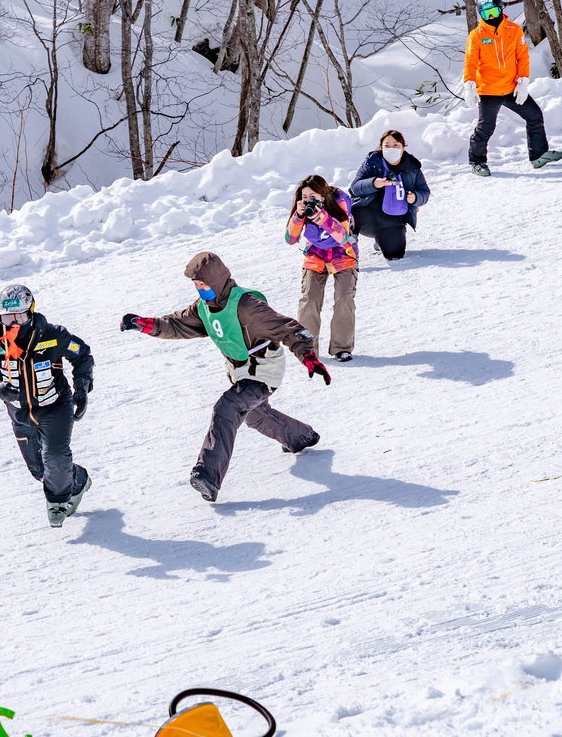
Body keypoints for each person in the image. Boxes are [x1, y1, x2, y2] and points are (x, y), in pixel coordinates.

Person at [120, 252, 331, 503]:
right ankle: (300, 437)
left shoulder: (247, 305)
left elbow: (287, 328)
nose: (200, 290)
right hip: (239, 371)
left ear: (217, 281)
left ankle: (207, 476)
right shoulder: (204, 309)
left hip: (262, 370)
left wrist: (308, 356)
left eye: (204, 285)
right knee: (254, 415)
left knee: (227, 408)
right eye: (196, 286)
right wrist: (145, 324)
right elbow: (176, 325)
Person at [0, 285, 93, 527]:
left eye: (20, 317)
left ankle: (57, 503)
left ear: (31, 313)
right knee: (41, 471)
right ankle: (77, 478)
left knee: (55, 455)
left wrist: (82, 388)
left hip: (56, 405)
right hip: (21, 414)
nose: (13, 324)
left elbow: (82, 355)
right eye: (7, 318)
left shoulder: (53, 335)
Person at [462, 0, 562, 176]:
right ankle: (477, 161)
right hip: (489, 90)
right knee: (486, 128)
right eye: (486, 14)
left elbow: (522, 57)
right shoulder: (476, 35)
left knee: (535, 116)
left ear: (500, 9)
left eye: (493, 11)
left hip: (511, 88)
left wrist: (523, 81)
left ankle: (539, 155)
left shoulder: (514, 30)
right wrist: (469, 84)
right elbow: (470, 61)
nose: (491, 17)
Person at [285, 174, 358, 363]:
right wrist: (298, 216)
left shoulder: (340, 201)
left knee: (344, 299)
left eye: (313, 197)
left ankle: (342, 348)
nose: (309, 201)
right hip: (316, 255)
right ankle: (307, 349)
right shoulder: (303, 210)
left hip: (343, 254)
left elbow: (341, 236)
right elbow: (290, 239)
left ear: (323, 195)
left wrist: (320, 216)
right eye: (305, 198)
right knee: (309, 299)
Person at [348, 130, 432, 262]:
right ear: (381, 147)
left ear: (403, 148)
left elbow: (425, 192)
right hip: (367, 214)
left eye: (396, 145)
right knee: (352, 213)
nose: (391, 149)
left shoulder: (412, 167)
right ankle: (347, 241)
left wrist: (415, 197)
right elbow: (355, 187)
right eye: (387, 145)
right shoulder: (372, 162)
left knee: (394, 254)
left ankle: (382, 241)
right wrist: (374, 183)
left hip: (394, 220)